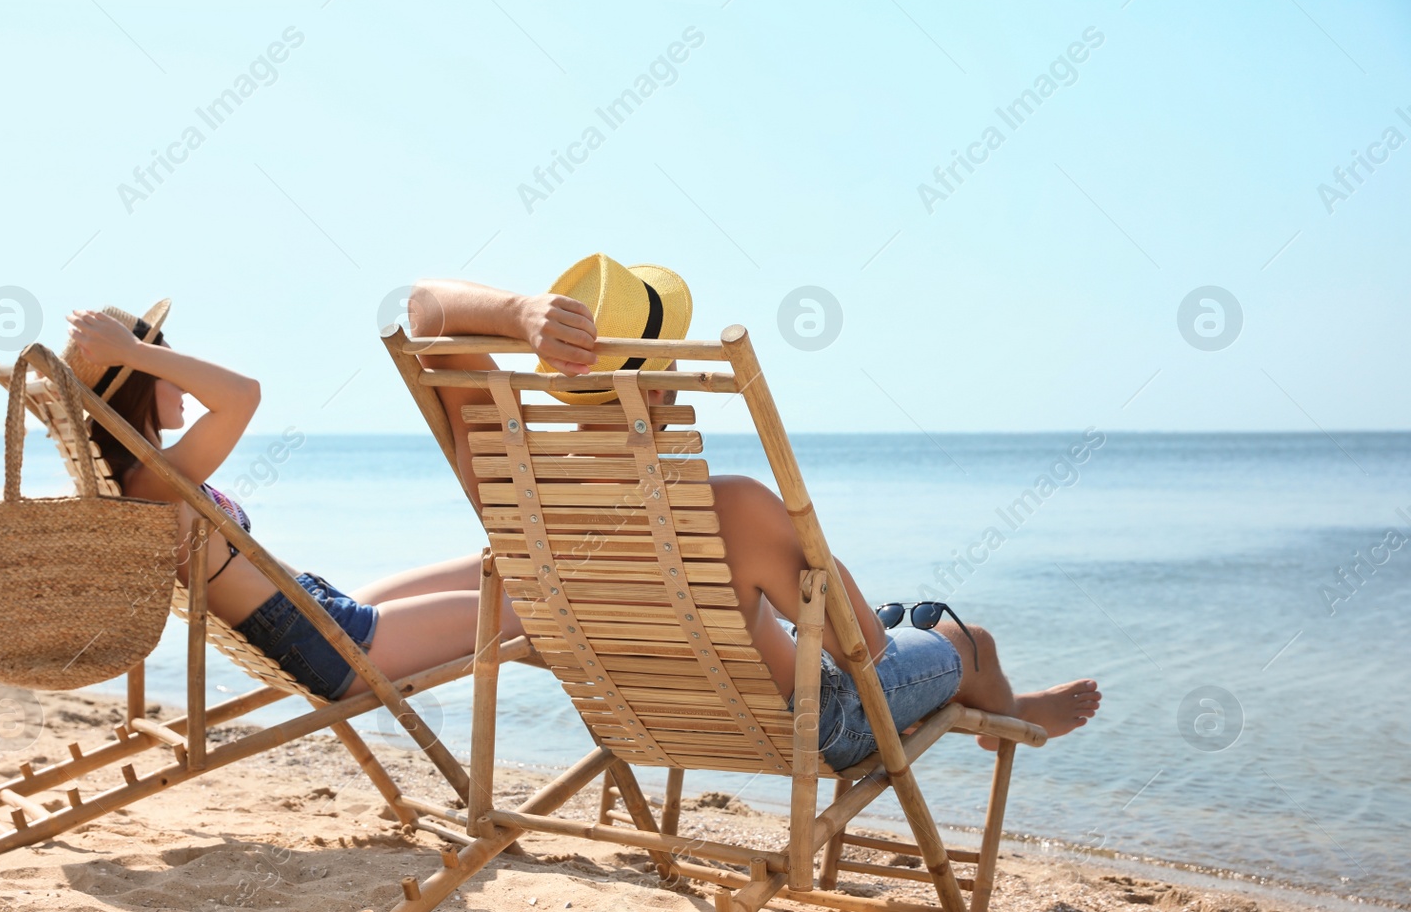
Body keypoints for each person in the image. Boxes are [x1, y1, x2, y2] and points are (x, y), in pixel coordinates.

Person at [405, 254, 1101, 769]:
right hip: (811, 730)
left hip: (635, 721)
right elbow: (865, 647)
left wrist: (523, 314)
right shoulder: (731, 509)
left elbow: (424, 307)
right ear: (663, 381)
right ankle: (1002, 706)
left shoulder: (511, 486)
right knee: (966, 638)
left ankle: (999, 705)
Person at [60, 299, 522, 701]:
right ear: (140, 381)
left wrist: (141, 355)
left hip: (321, 613)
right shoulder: (149, 484)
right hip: (333, 646)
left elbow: (235, 395)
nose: (182, 384)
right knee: (538, 607)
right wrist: (135, 351)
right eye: (166, 367)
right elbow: (242, 394)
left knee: (514, 568)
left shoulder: (155, 472)